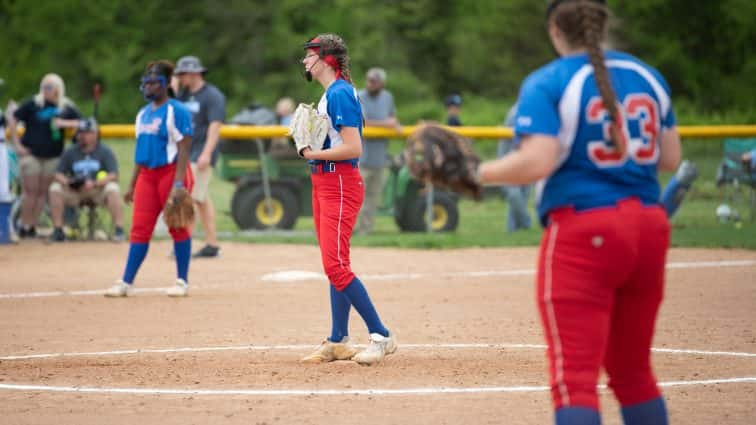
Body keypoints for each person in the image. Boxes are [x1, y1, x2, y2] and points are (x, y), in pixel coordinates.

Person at [475, 1, 682, 423]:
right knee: (634, 373)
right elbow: (670, 159)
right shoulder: (647, 75)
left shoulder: (550, 80)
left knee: (575, 379)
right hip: (649, 226)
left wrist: (476, 173)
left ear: (555, 29)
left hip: (585, 228)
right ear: (604, 23)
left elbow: (537, 160)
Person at [298, 34, 397, 365]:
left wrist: (315, 151)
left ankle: (381, 334)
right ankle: (339, 339)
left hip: (339, 182)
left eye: (309, 55)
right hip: (324, 181)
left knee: (336, 265)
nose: (304, 61)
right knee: (334, 263)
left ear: (326, 60)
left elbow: (354, 148)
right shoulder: (332, 93)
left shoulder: (339, 93)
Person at [104, 60, 194, 298]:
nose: (149, 87)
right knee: (140, 229)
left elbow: (185, 147)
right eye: (146, 83)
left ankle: (182, 281)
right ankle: (126, 282)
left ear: (165, 84)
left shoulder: (176, 110)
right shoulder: (142, 114)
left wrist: (178, 184)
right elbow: (140, 153)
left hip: (170, 172)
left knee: (177, 224)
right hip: (146, 176)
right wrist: (132, 185)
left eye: (154, 82)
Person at [8, 74, 81, 238]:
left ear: (58, 88)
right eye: (43, 86)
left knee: (42, 193)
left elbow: (83, 123)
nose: (45, 90)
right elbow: (13, 117)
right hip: (31, 154)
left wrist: (65, 124)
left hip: (53, 156)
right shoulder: (34, 103)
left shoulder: (65, 106)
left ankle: (32, 227)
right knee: (30, 192)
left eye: (49, 87)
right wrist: (17, 144)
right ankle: (23, 225)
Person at [174, 56, 226, 258]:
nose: (180, 77)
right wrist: (175, 85)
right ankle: (212, 244)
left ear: (195, 73)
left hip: (202, 153)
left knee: (189, 196)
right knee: (201, 198)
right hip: (186, 152)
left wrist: (206, 153)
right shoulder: (183, 96)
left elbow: (215, 125)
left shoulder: (212, 95)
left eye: (182, 74)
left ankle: (183, 243)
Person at [48, 117, 124, 242]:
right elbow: (57, 174)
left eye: (86, 132)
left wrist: (95, 183)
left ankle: (119, 230)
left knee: (113, 188)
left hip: (96, 190)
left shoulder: (104, 151)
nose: (82, 136)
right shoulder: (70, 151)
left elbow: (114, 175)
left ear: (95, 134)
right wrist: (68, 182)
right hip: (75, 191)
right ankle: (58, 231)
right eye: (80, 132)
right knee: (54, 188)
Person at [356, 67, 401, 234]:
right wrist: (387, 123)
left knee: (373, 198)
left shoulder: (388, 97)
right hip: (359, 158)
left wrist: (390, 123)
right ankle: (349, 230)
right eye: (369, 80)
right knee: (355, 197)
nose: (370, 84)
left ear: (381, 83)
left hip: (379, 158)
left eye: (374, 81)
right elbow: (363, 121)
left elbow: (394, 119)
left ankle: (365, 231)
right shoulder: (359, 96)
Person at [498, 104, 532, 232]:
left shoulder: (533, 110)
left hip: (526, 161)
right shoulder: (515, 112)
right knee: (514, 195)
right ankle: (526, 223)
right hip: (510, 160)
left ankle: (512, 231)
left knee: (522, 196)